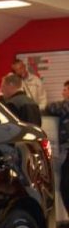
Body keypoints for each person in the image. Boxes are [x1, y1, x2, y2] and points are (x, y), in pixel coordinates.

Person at [45, 80, 69, 213]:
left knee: (65, 186)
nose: (62, 92)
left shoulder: (65, 106)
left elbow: (51, 107)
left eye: (65, 90)